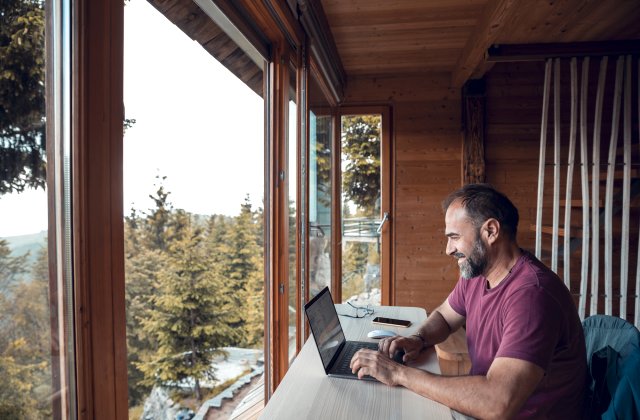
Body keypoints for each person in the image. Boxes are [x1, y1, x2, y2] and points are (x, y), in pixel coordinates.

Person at [350, 183, 587, 419]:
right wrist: (417, 339)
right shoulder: (478, 273)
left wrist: (398, 374)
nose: (448, 249)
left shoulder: (532, 295)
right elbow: (444, 316)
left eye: (454, 237)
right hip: (483, 403)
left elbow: (497, 403)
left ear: (491, 231)